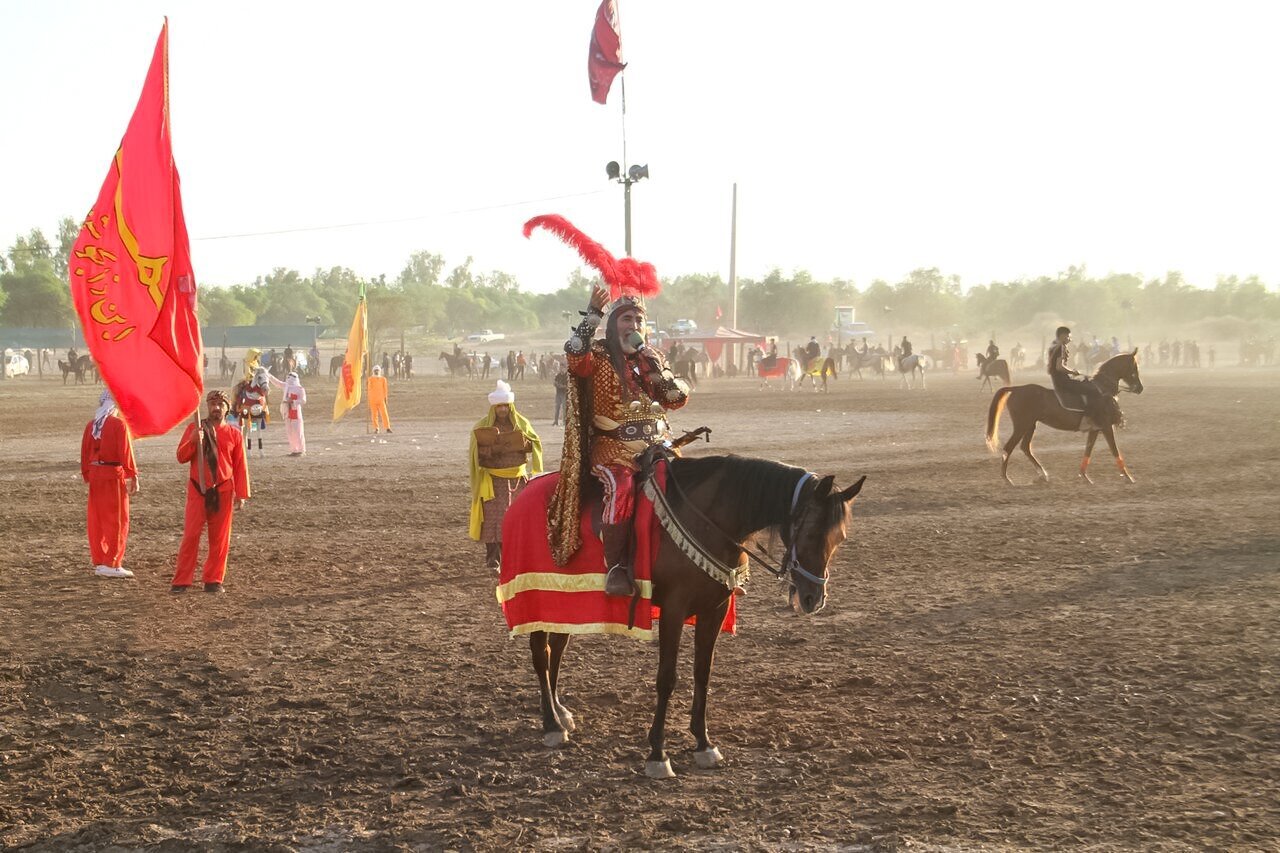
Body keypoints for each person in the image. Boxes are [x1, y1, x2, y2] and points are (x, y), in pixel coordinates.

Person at [172, 390, 251, 593]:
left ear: (227, 408)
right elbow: (181, 457)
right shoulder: (195, 427)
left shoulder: (234, 434)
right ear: (207, 406)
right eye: (213, 404)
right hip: (198, 488)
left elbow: (240, 466)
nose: (216, 408)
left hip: (223, 489)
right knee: (191, 535)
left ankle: (213, 580)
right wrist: (192, 440)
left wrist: (242, 494)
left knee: (220, 538)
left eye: (221, 404)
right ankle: (182, 581)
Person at [469, 380, 543, 569]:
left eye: (505, 406)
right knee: (493, 519)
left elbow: (534, 444)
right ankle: (493, 559)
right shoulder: (482, 426)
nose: (502, 409)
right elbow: (474, 453)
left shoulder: (522, 424)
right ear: (494, 407)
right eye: (499, 406)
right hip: (493, 481)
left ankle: (514, 558)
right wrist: (491, 449)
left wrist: (522, 443)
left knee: (515, 518)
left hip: (517, 480)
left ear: (510, 406)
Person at [81, 390, 139, 578]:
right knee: (117, 520)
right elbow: (125, 452)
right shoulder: (118, 425)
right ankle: (112, 562)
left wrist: (88, 474)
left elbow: (84, 453)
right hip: (112, 476)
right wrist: (133, 475)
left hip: (95, 475)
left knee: (97, 519)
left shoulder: (91, 425)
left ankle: (99, 560)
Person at [1047, 325, 1115, 427]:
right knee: (1093, 390)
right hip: (1063, 382)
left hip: (1059, 380)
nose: (1069, 339)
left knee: (1086, 384)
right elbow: (1059, 367)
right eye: (1068, 337)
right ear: (1062, 336)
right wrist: (1073, 372)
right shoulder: (1060, 347)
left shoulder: (1053, 346)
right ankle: (1089, 418)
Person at [268, 370, 307, 455]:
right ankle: (294, 450)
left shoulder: (300, 389)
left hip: (295, 411)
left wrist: (293, 401)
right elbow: (277, 382)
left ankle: (301, 450)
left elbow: (303, 400)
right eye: (288, 376)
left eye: (291, 377)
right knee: (289, 431)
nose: (289, 378)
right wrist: (268, 375)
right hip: (287, 411)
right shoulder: (286, 386)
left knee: (298, 431)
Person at [368, 364, 392, 433]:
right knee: (374, 414)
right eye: (375, 371)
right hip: (373, 399)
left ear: (380, 371)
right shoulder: (370, 379)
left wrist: (385, 398)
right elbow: (369, 388)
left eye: (377, 370)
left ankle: (387, 427)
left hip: (381, 399)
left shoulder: (383, 379)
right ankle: (376, 428)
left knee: (384, 414)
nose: (376, 372)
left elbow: (385, 390)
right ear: (373, 371)